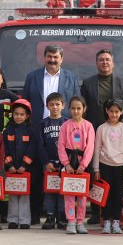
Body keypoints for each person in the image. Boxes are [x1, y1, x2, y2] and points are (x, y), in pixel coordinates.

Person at [57, 96, 95, 235]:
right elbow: (61, 146)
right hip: (69, 164)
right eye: (73, 108)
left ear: (84, 109)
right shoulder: (65, 125)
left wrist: (83, 165)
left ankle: (80, 221)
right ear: (69, 109)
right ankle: (71, 221)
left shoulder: (88, 126)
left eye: (79, 108)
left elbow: (90, 147)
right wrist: (66, 164)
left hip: (82, 165)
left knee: (82, 196)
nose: (76, 111)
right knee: (69, 195)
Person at [93, 99, 123, 235]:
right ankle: (106, 222)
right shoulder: (101, 128)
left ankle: (116, 221)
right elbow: (96, 149)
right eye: (111, 111)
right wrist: (96, 169)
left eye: (117, 111)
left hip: (120, 166)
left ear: (122, 112)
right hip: (105, 165)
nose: (114, 114)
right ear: (106, 111)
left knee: (118, 195)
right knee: (106, 196)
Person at [23, 44, 81, 128]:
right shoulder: (32, 77)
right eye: (49, 56)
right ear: (44, 58)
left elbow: (77, 103)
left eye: (55, 57)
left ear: (61, 59)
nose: (52, 60)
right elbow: (25, 102)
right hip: (37, 126)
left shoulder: (72, 78)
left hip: (64, 127)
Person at [3, 99, 37, 229]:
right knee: (12, 195)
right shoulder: (7, 131)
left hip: (25, 170)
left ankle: (24, 220)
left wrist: (24, 165)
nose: (18, 116)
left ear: (27, 116)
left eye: (22, 114)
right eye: (16, 114)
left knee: (24, 195)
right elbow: (5, 150)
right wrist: (10, 165)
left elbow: (32, 150)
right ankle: (12, 220)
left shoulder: (31, 131)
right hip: (11, 169)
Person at [37, 92, 68, 230]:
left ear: (63, 105)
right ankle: (50, 216)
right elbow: (40, 145)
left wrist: (66, 162)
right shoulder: (43, 123)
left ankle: (61, 216)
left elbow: (69, 144)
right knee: (49, 191)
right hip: (49, 163)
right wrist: (46, 162)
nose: (54, 107)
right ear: (47, 106)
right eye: (51, 104)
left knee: (62, 191)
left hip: (63, 164)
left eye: (57, 104)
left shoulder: (67, 123)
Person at [81, 49, 123, 129]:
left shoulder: (122, 84)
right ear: (96, 64)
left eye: (107, 60)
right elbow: (82, 107)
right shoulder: (87, 83)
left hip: (117, 129)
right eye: (101, 60)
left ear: (112, 63)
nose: (104, 62)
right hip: (93, 127)